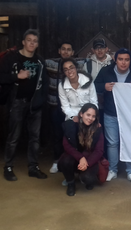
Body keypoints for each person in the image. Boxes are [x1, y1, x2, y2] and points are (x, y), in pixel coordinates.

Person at [0, 29, 49, 181]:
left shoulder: (40, 61)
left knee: (34, 137)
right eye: (29, 40)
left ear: (37, 44)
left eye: (35, 41)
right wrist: (16, 76)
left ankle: (33, 167)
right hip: (17, 102)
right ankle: (8, 167)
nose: (32, 43)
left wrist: (41, 100)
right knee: (14, 136)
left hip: (35, 104)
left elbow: (45, 82)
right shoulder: (11, 58)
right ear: (23, 42)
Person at [94, 48, 131, 184]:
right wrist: (104, 86)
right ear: (115, 59)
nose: (123, 62)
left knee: (130, 142)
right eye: (120, 59)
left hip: (129, 115)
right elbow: (94, 85)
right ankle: (113, 170)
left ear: (130, 61)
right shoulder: (106, 71)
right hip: (111, 113)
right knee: (112, 143)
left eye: (127, 60)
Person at [58, 103, 104, 196]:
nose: (90, 118)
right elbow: (66, 145)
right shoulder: (71, 126)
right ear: (81, 114)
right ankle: (71, 184)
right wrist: (80, 158)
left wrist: (87, 163)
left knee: (88, 178)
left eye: (93, 116)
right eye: (88, 115)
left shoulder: (97, 129)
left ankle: (86, 178)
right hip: (75, 158)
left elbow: (99, 151)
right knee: (65, 161)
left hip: (89, 160)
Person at [47, 42, 75, 174]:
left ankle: (70, 161)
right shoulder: (50, 64)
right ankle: (56, 161)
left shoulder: (77, 66)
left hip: (72, 107)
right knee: (57, 134)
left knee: (70, 134)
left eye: (68, 50)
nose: (66, 52)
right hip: (55, 105)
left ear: (72, 52)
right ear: (59, 51)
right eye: (63, 49)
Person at [58, 58, 98, 122]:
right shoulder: (62, 85)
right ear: (64, 72)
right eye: (66, 70)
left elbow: (94, 102)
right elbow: (65, 107)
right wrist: (73, 117)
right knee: (69, 127)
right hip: (72, 116)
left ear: (76, 68)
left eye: (71, 68)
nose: (69, 71)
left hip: (89, 115)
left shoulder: (88, 81)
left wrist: (90, 116)